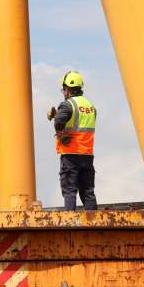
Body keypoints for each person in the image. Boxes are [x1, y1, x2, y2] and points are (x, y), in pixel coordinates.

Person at [47, 71, 97, 211]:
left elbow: (59, 122)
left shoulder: (68, 105)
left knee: (70, 190)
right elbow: (78, 122)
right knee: (88, 192)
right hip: (87, 154)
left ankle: (70, 227)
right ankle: (93, 226)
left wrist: (60, 133)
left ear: (67, 89)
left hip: (71, 155)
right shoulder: (90, 107)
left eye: (64, 90)